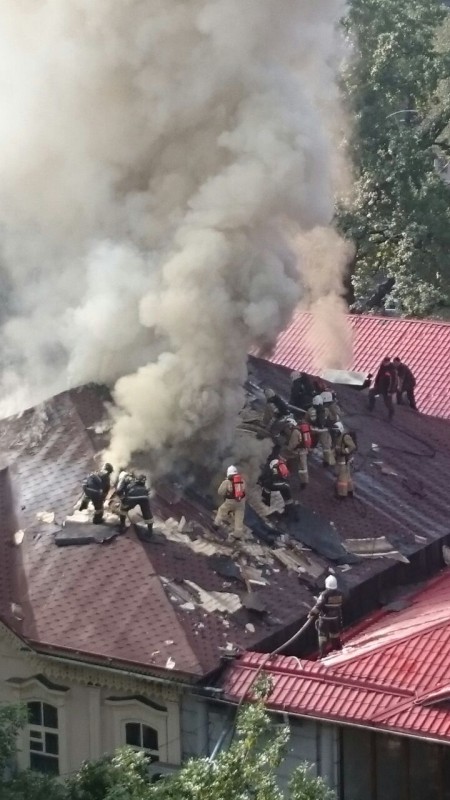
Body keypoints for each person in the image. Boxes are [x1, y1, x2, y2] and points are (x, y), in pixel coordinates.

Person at [308, 574, 344, 658]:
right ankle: (337, 648)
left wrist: (311, 613)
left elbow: (319, 606)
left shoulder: (325, 594)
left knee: (322, 635)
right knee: (334, 633)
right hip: (335, 618)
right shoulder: (340, 593)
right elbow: (342, 603)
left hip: (324, 618)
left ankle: (322, 653)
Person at [214, 466, 246, 540]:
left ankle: (216, 525)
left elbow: (220, 492)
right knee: (239, 518)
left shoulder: (227, 482)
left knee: (221, 510)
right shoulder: (242, 480)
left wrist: (226, 494)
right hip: (241, 502)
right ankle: (238, 534)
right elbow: (243, 490)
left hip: (230, 501)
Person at [280, 416, 312, 488]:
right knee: (303, 467)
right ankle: (304, 481)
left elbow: (292, 445)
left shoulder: (295, 431)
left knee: (282, 456)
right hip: (304, 451)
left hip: (296, 451)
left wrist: (287, 448)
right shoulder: (303, 430)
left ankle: (281, 473)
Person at [333, 422, 356, 498]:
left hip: (344, 459)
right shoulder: (339, 436)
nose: (335, 432)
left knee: (342, 478)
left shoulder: (345, 437)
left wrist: (344, 452)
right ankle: (350, 490)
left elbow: (352, 446)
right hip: (342, 459)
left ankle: (342, 494)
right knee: (347, 476)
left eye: (336, 430)